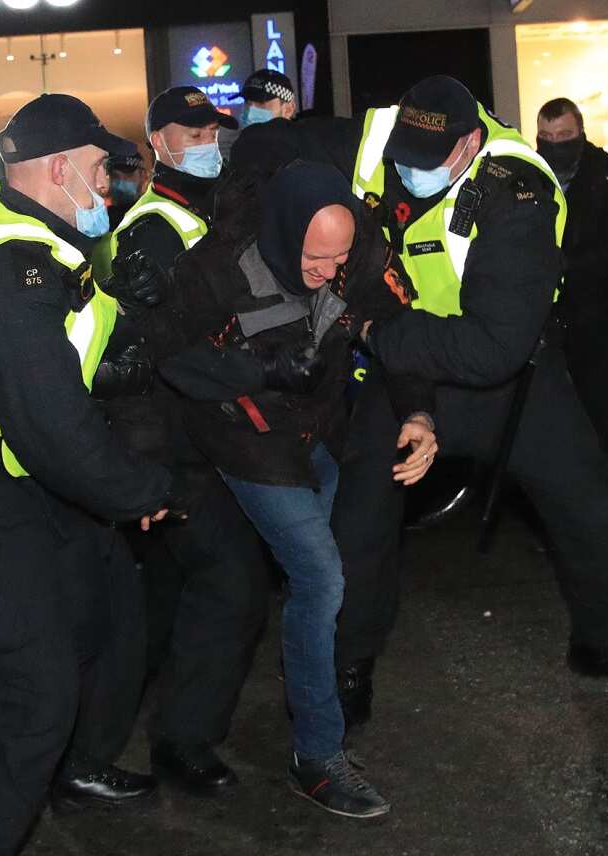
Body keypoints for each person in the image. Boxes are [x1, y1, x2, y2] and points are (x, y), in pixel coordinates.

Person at [233, 74, 608, 727]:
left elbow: (490, 350)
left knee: (599, 512)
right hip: (398, 375)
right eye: (404, 158)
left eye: (430, 162)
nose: (409, 172)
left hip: (504, 380)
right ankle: (350, 665)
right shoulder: (385, 132)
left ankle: (602, 644)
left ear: (470, 142)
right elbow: (267, 145)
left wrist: (368, 327)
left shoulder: (514, 191)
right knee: (358, 530)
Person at [0, 93, 195, 853]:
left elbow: (72, 352)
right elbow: (52, 426)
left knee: (99, 618)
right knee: (28, 697)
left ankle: (54, 766)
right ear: (60, 167)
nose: (110, 185)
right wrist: (143, 491)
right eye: (100, 170)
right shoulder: (8, 271)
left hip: (8, 481)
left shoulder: (25, 239)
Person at [156, 160, 438, 818]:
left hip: (318, 434)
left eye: (339, 257)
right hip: (244, 437)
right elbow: (166, 355)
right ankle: (316, 756)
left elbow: (399, 337)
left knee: (330, 577)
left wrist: (421, 413)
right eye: (315, 258)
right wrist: (254, 369)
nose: (328, 272)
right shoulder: (216, 266)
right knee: (322, 578)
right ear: (284, 234)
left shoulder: (359, 254)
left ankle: (308, 680)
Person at [98, 85, 271, 797]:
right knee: (231, 582)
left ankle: (111, 727)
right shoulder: (156, 226)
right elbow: (160, 349)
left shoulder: (205, 211)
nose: (207, 142)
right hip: (174, 438)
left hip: (199, 430)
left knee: (167, 590)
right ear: (158, 142)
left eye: (213, 131)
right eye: (190, 132)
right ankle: (184, 739)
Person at [536, 97, 608, 515]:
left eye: (564, 136)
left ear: (579, 133)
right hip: (551, 330)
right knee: (560, 435)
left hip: (603, 325)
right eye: (547, 137)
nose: (555, 144)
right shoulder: (532, 178)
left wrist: (562, 265)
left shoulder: (606, 179)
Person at [104, 148, 148, 230]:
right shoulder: (101, 222)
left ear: (143, 176)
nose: (121, 181)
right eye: (115, 176)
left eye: (128, 175)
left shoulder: (152, 216)